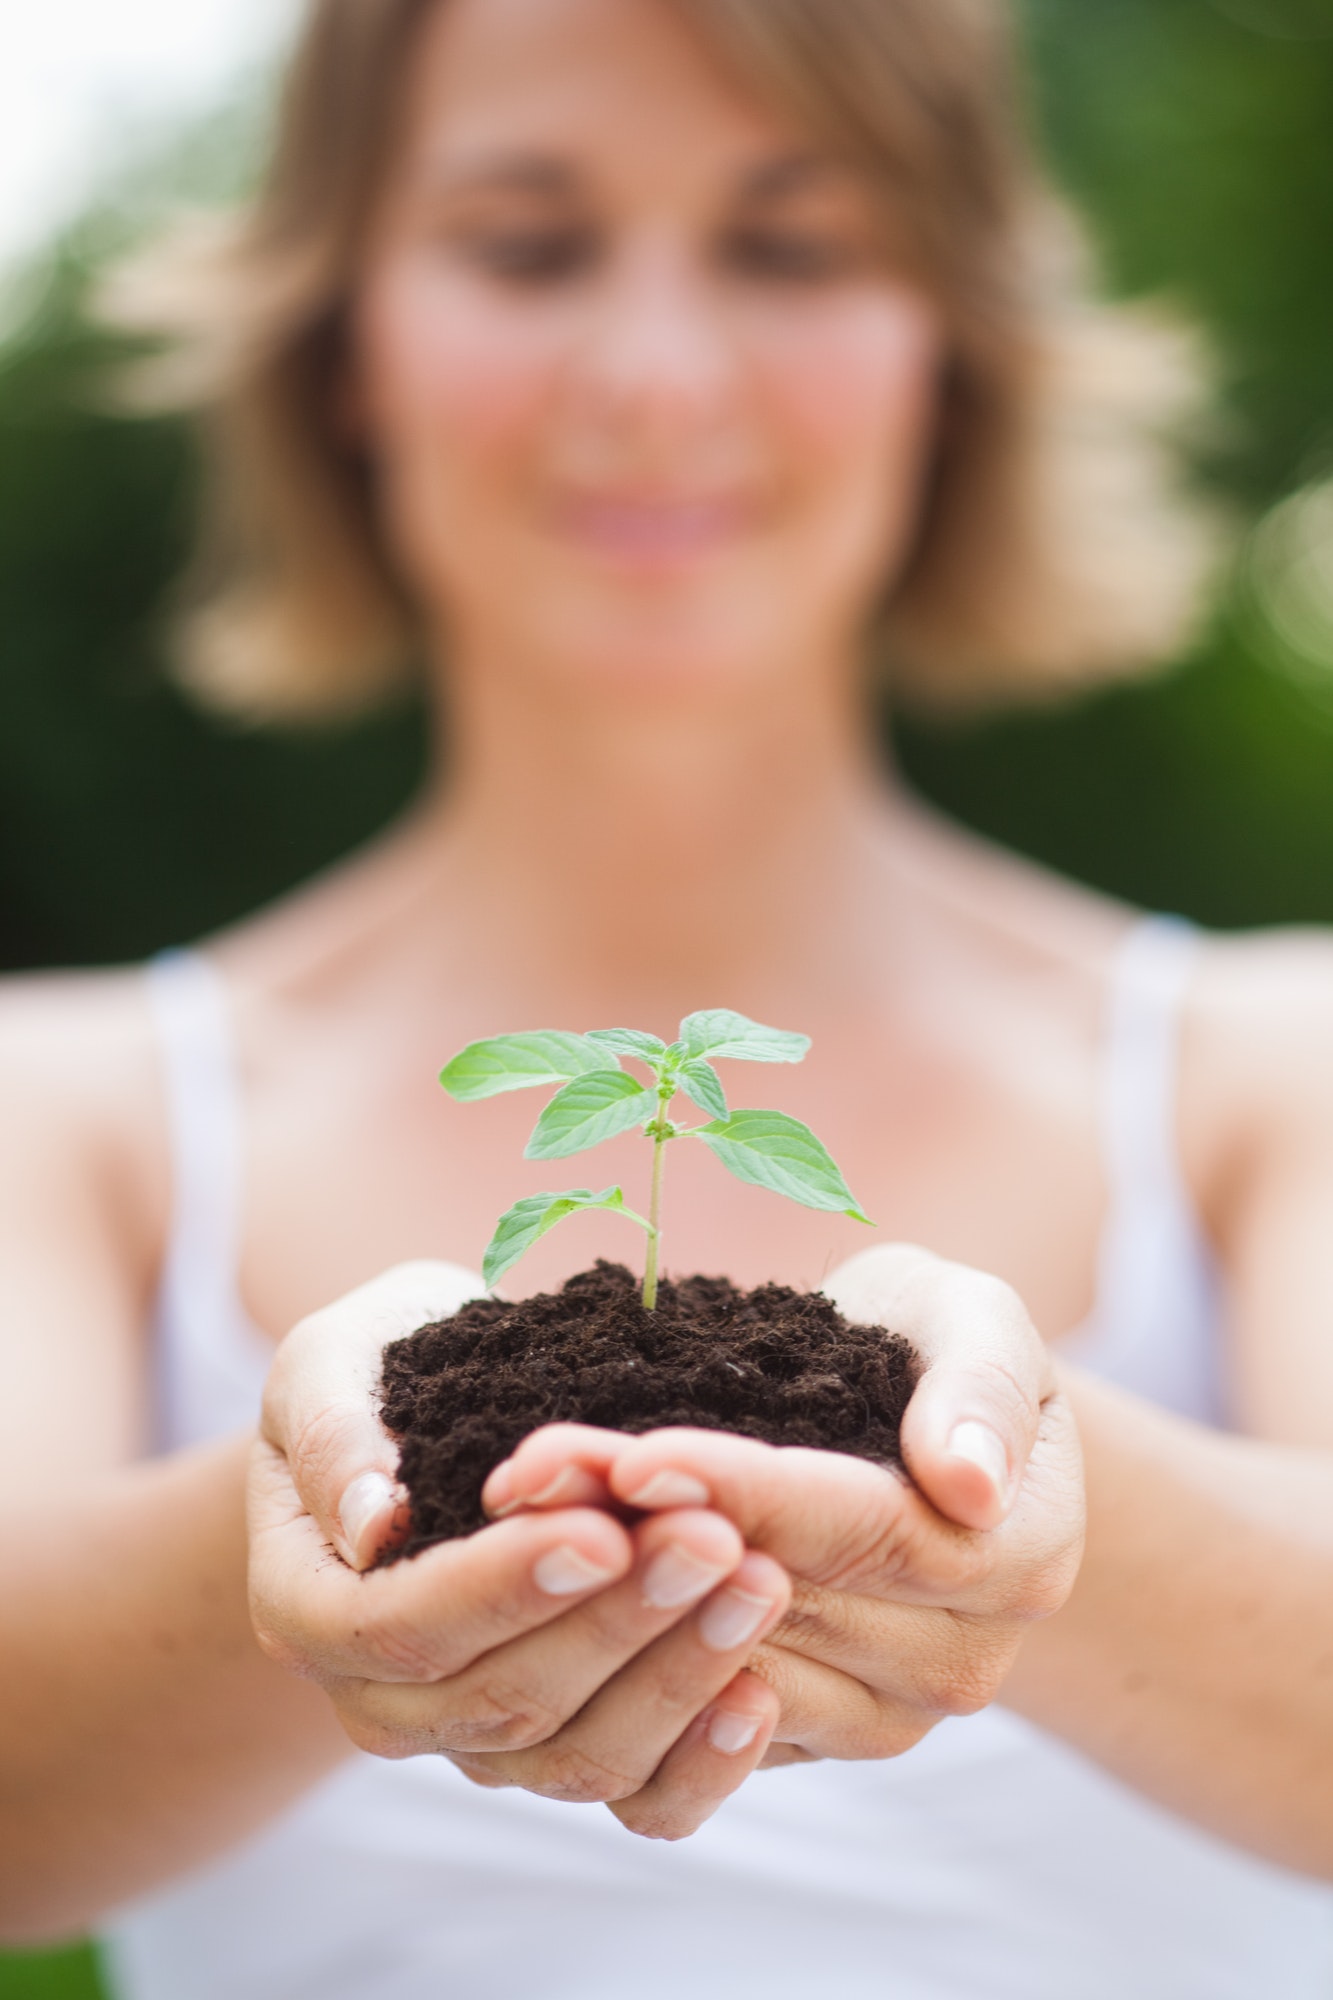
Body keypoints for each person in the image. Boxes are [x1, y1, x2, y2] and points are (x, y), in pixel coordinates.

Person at [3, 0, 1333, 1993]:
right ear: (342, 331)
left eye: (790, 246)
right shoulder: (75, 1111)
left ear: (948, 345)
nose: (651, 373)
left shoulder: (1269, 1071)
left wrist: (1016, 1495)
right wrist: (302, 1528)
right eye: (526, 244)